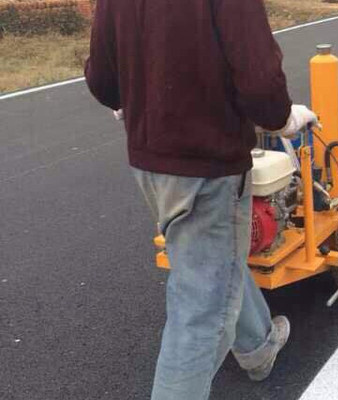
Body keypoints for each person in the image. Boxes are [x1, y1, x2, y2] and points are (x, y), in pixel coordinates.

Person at [84, 0, 318, 399]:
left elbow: (103, 79)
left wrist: (134, 102)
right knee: (200, 318)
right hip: (207, 165)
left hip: (149, 160)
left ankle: (258, 347)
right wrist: (284, 119)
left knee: (210, 259)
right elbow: (260, 82)